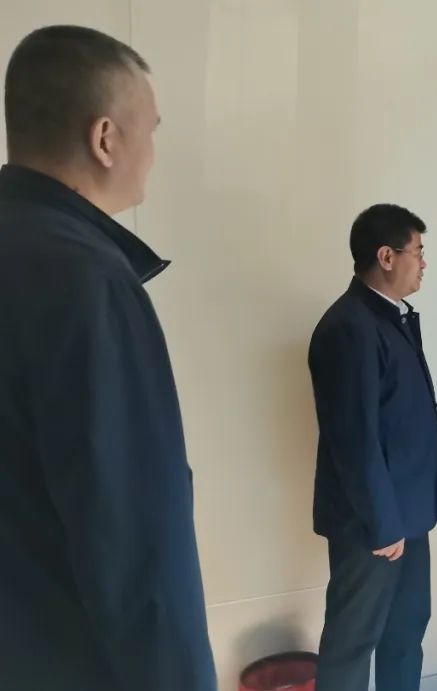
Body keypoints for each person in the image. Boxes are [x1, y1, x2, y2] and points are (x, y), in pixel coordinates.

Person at [0, 26, 216, 690]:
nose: (152, 153)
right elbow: (134, 537)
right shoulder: (86, 280)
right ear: (105, 138)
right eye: (149, 129)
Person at [309, 203, 437, 691]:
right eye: (417, 251)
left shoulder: (391, 318)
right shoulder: (350, 326)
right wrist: (384, 524)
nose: (423, 262)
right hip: (373, 524)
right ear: (387, 256)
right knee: (352, 643)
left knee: (405, 635)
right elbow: (354, 439)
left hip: (407, 515)